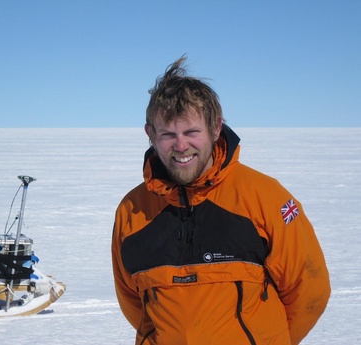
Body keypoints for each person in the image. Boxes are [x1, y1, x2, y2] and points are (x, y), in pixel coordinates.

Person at [111, 57, 330, 345]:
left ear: (215, 129)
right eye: (167, 134)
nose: (180, 146)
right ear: (150, 134)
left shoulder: (263, 196)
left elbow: (310, 290)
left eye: (192, 132)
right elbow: (132, 300)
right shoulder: (132, 210)